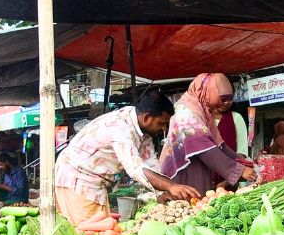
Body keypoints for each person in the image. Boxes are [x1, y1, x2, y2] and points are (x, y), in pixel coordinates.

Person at [55, 87, 201, 225]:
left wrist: (161, 192)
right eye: (161, 123)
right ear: (147, 118)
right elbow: (135, 168)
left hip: (96, 184)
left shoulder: (142, 130)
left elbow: (150, 163)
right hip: (77, 179)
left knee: (102, 231)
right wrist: (172, 185)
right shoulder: (120, 127)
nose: (163, 129)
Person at [159, 73, 257, 195]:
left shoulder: (202, 110)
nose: (225, 104)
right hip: (184, 171)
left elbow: (219, 145)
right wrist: (238, 170)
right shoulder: (186, 111)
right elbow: (205, 149)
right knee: (191, 204)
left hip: (198, 167)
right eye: (221, 100)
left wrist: (245, 163)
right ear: (206, 91)